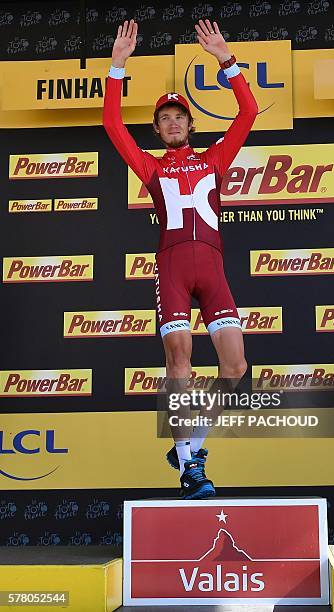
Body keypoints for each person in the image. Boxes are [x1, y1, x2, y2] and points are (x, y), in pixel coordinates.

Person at [103, 18, 258, 499]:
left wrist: (225, 58)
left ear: (191, 125)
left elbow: (248, 113)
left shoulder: (213, 158)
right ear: (157, 129)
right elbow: (112, 124)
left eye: (179, 116)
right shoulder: (150, 167)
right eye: (164, 118)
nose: (172, 122)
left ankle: (193, 446)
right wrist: (117, 66)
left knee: (235, 368)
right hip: (172, 267)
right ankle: (190, 467)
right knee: (180, 362)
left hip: (213, 270)